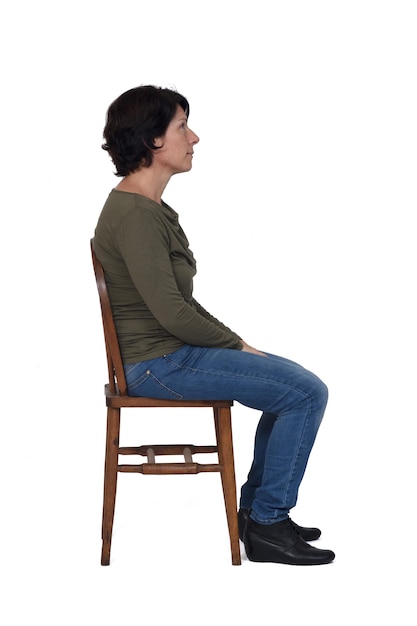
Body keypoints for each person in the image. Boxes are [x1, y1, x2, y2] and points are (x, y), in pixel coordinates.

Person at [93, 85, 335, 566]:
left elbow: (182, 304)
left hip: (170, 354)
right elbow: (173, 315)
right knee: (305, 393)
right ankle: (266, 524)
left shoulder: (149, 209)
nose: (194, 137)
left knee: (294, 385)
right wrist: (235, 346)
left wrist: (239, 343)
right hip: (157, 365)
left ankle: (257, 514)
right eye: (182, 126)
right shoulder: (134, 216)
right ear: (152, 141)